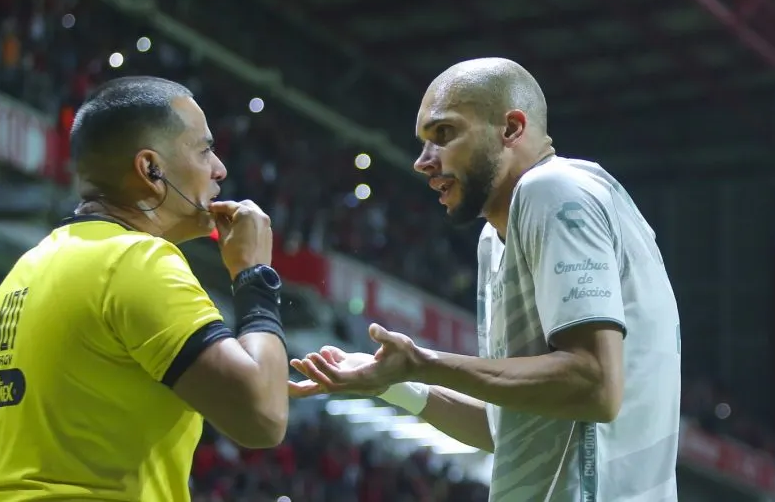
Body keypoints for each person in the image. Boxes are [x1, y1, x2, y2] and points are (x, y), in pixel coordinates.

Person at [290, 58, 681, 501]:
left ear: (512, 128)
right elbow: (507, 424)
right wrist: (399, 384)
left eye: (444, 134)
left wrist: (426, 362)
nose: (422, 162)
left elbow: (595, 385)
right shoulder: (495, 237)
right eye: (422, 142)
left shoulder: (553, 191)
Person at [0, 76, 290, 502]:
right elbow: (263, 417)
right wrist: (254, 275)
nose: (220, 169)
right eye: (204, 150)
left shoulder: (17, 279)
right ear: (151, 170)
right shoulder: (137, 261)